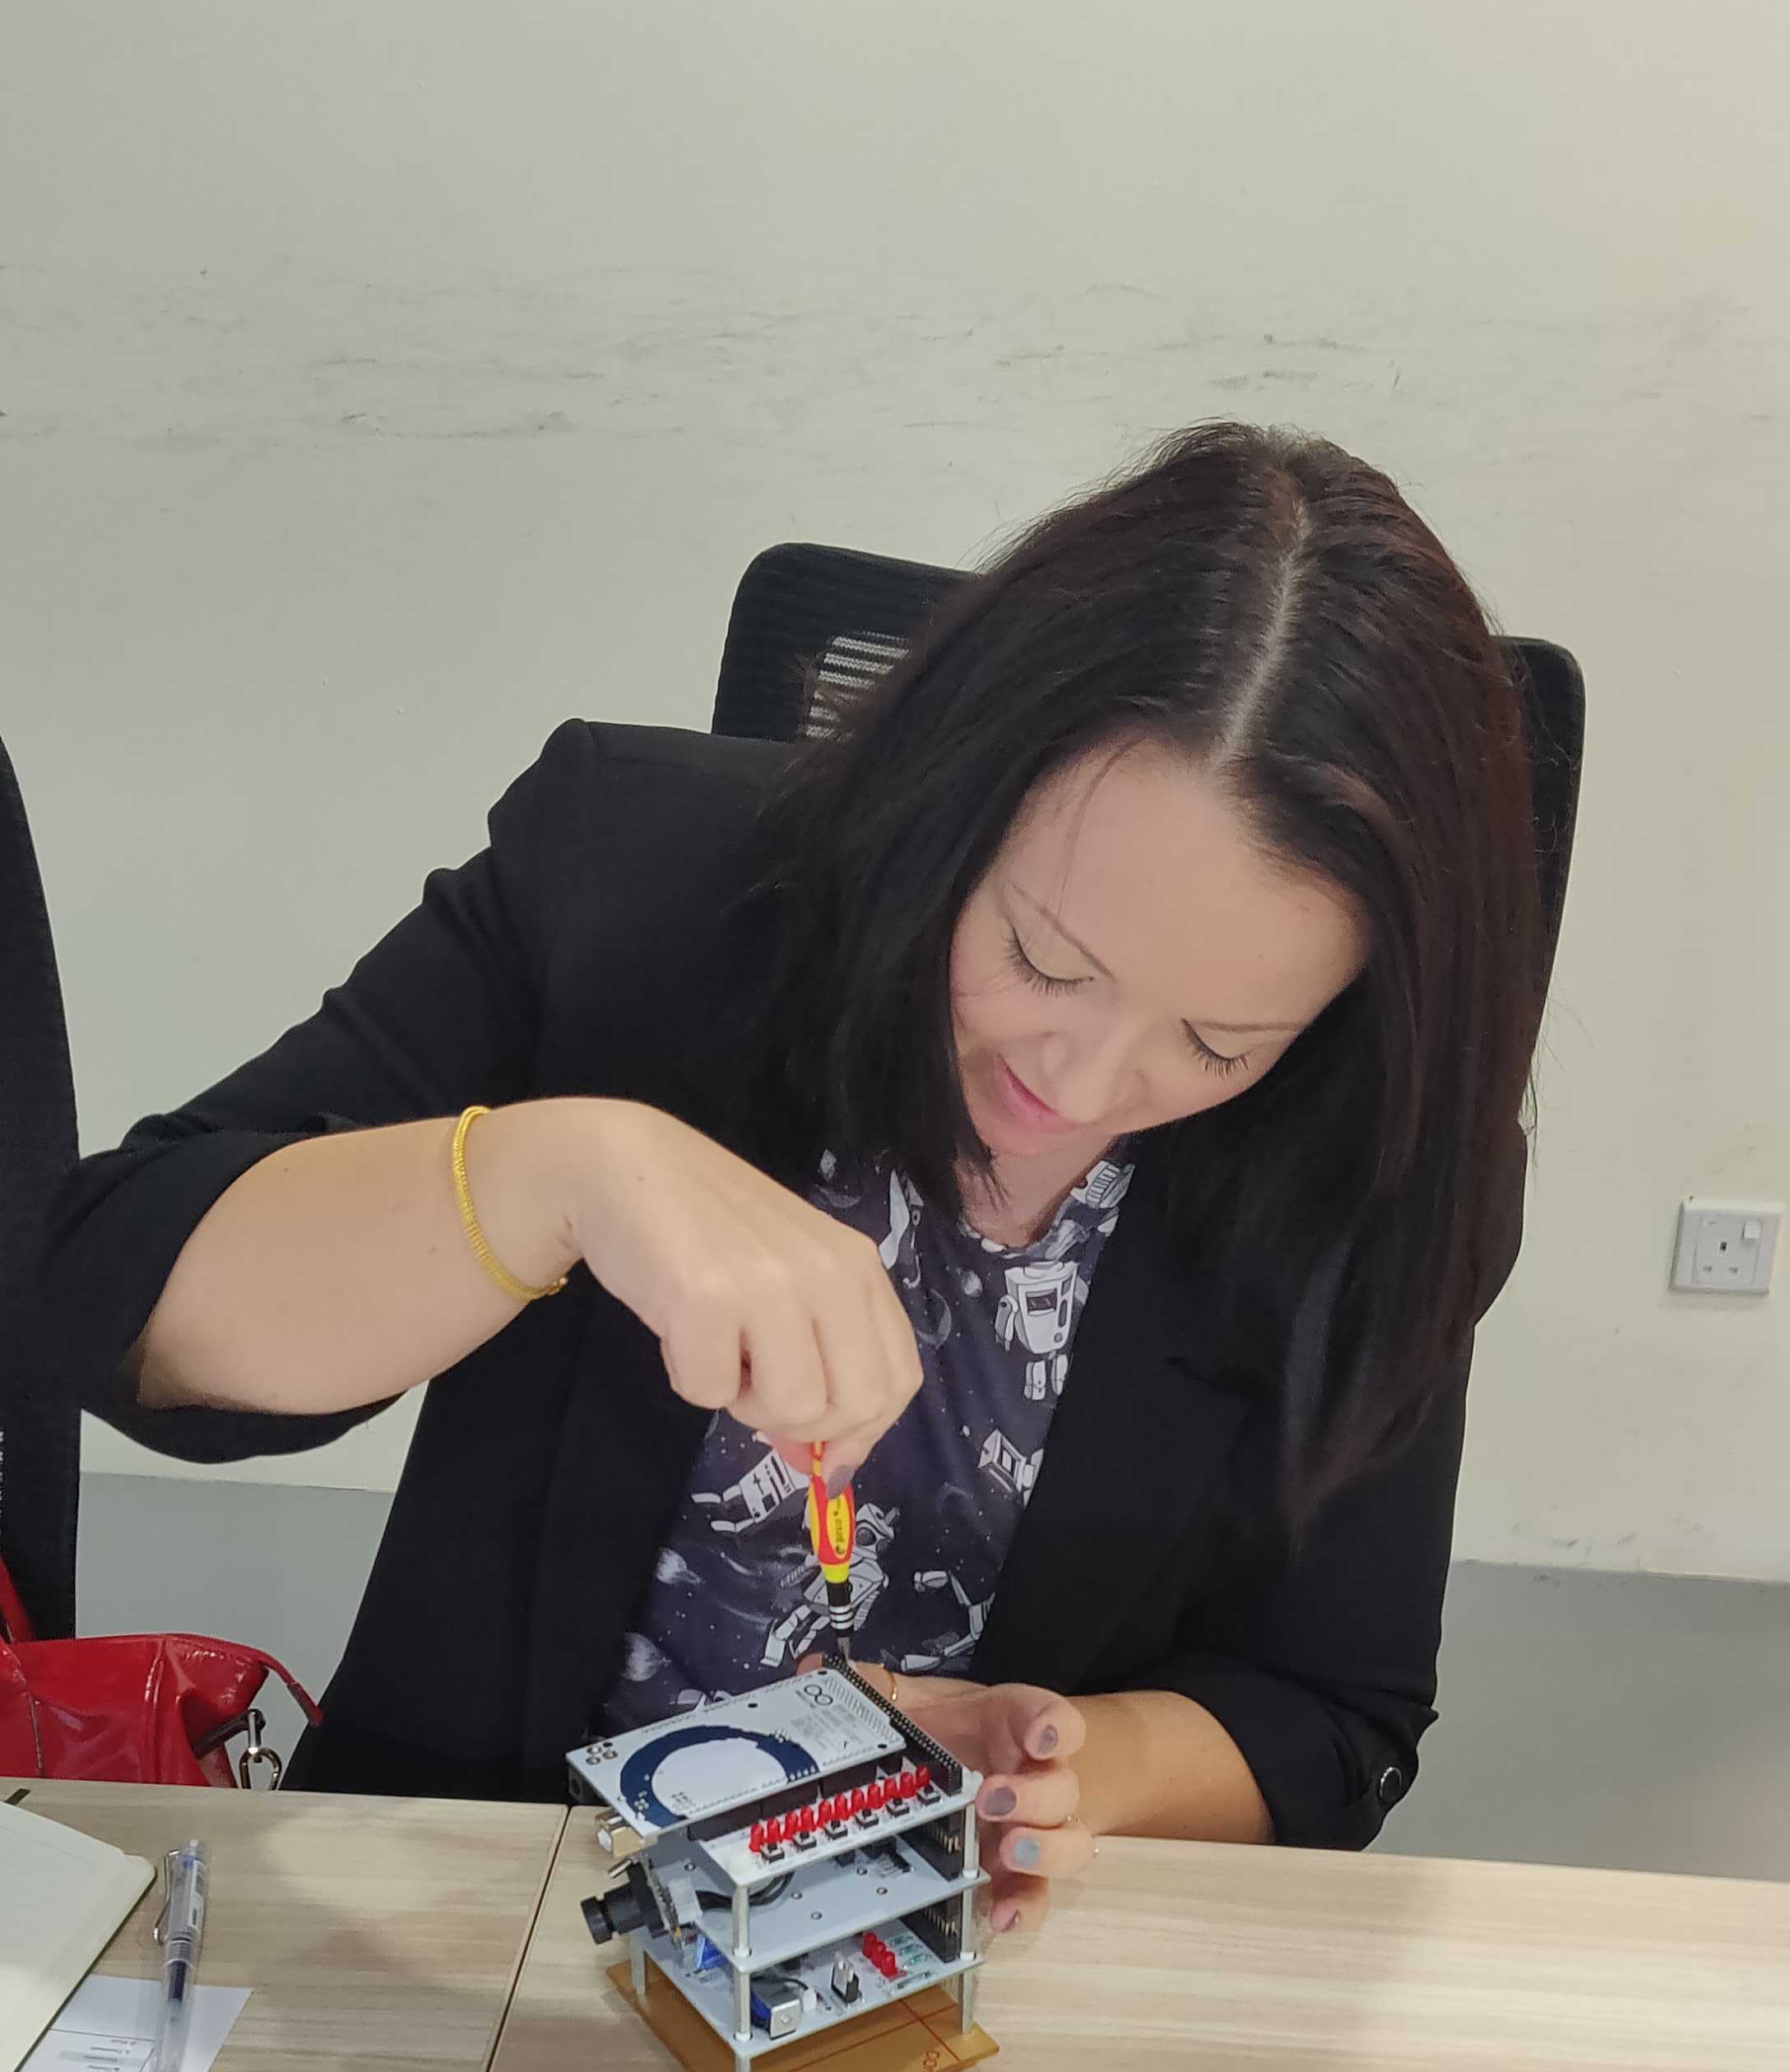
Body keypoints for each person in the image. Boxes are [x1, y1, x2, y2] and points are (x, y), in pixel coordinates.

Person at [44, 424, 1549, 1933]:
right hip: (475, 1916)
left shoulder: (1384, 1148)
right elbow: (117, 1310)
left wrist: (1072, 1763)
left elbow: (1332, 1709)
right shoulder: (629, 883)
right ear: (956, 797)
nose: (1079, 1091)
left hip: (960, 1972)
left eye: (1221, 1044)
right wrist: (552, 1174)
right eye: (1040, 959)